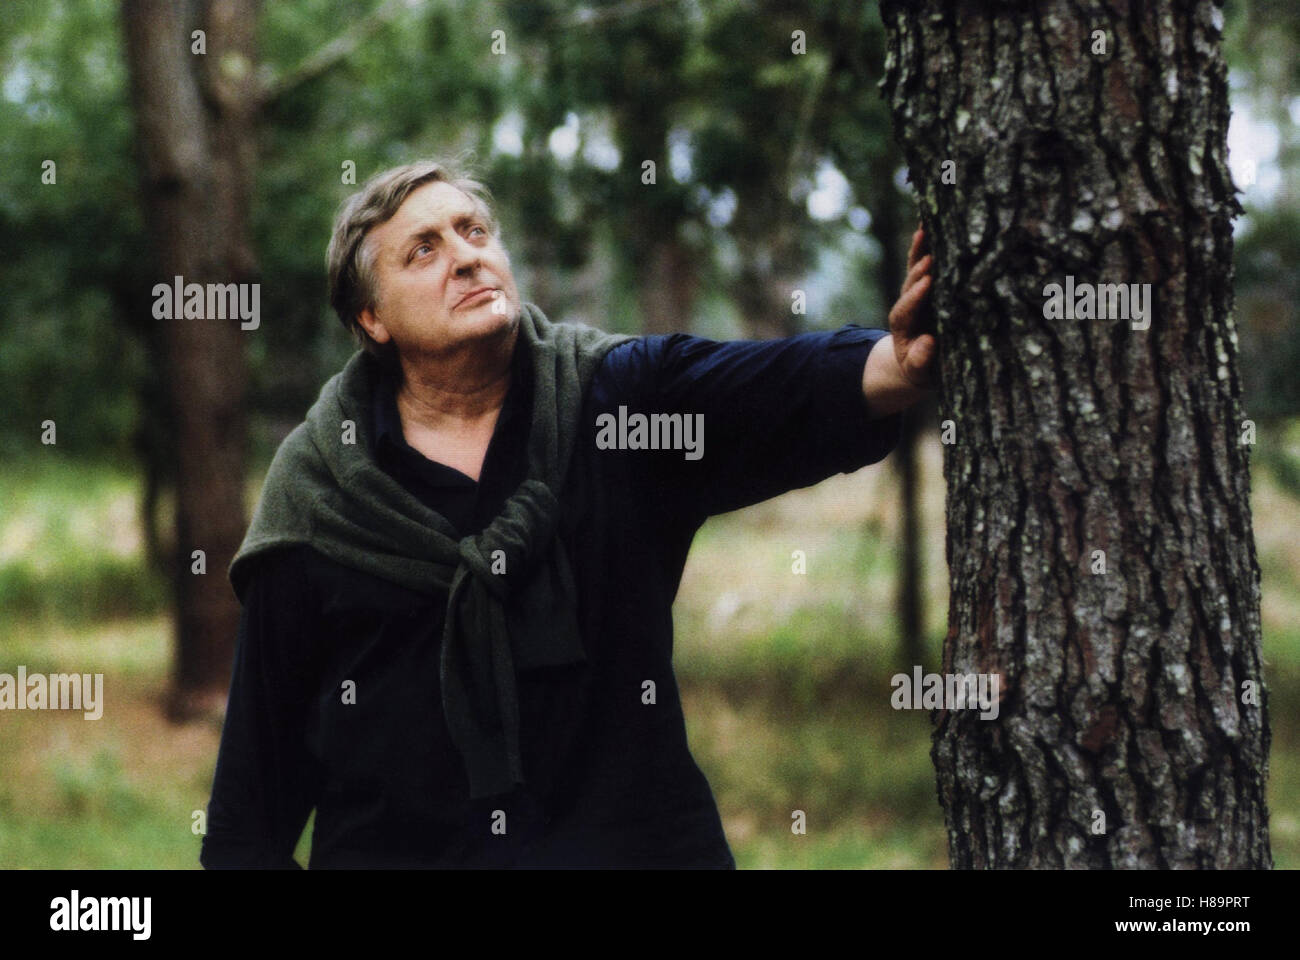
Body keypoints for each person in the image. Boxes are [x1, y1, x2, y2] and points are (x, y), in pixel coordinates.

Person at [199, 158, 937, 869]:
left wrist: (895, 363)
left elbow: (774, 389)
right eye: (423, 250)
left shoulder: (616, 402)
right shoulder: (320, 489)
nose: (466, 258)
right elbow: (248, 820)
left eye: (475, 231)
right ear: (371, 317)